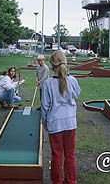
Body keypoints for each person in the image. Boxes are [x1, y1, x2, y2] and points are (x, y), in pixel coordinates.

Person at [41, 50, 81, 184]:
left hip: (55, 123)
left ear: (52, 65)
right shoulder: (73, 80)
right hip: (70, 123)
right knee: (70, 154)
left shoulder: (47, 83)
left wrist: (45, 122)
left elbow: (45, 106)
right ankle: (71, 181)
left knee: (57, 155)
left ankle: (56, 181)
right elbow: (77, 94)